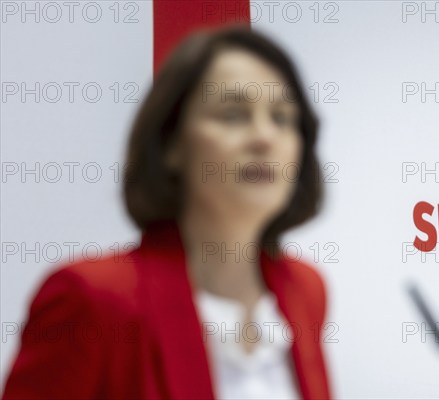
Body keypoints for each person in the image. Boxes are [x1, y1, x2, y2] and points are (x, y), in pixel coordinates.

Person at [2, 25, 331, 399]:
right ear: (172, 143)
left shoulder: (304, 290)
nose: (265, 137)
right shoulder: (92, 297)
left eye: (283, 118)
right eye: (234, 114)